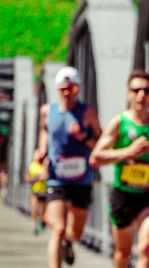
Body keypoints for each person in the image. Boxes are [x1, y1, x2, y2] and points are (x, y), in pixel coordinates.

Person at [90, 70, 149, 268]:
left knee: (146, 246)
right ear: (128, 93)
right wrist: (127, 152)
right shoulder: (119, 123)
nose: (141, 95)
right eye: (136, 90)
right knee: (123, 253)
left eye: (147, 90)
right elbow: (95, 158)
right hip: (124, 195)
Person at [38, 66, 102, 267]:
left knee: (75, 232)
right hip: (56, 177)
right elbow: (44, 132)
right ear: (57, 89)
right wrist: (41, 151)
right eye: (63, 88)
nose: (67, 92)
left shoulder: (88, 113)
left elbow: (101, 145)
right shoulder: (47, 111)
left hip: (81, 179)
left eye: (72, 88)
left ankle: (69, 242)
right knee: (57, 228)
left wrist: (83, 136)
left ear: (79, 89)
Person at [25, 149, 49, 235]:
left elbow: (46, 175)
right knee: (34, 208)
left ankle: (42, 222)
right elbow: (28, 177)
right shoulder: (32, 165)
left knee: (43, 210)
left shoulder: (45, 164)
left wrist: (38, 177)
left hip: (44, 190)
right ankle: (34, 226)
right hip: (35, 190)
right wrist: (36, 178)